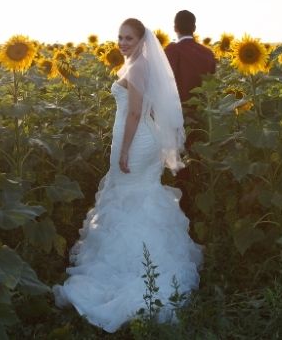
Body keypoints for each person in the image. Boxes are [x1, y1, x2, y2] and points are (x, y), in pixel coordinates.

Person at [53, 18, 202, 333]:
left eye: (129, 38)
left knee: (128, 197)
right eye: (120, 37)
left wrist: (123, 150)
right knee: (143, 195)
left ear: (141, 39)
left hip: (134, 140)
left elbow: (134, 112)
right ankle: (152, 264)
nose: (122, 43)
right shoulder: (143, 65)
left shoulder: (136, 68)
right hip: (144, 138)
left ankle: (132, 271)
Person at [164, 10, 217, 219]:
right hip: (204, 117)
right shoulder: (207, 53)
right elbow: (213, 85)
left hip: (178, 116)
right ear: (194, 28)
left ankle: (183, 208)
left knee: (179, 164)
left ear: (175, 27)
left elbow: (165, 85)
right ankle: (200, 204)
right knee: (199, 159)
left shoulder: (172, 51)